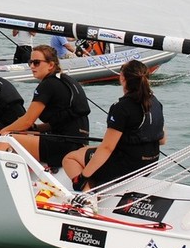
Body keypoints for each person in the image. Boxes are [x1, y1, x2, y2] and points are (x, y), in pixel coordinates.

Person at [63, 59, 165, 190]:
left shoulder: (121, 107)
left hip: (127, 166)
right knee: (84, 151)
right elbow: (162, 140)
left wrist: (83, 177)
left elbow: (107, 148)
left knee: (70, 159)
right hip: (150, 163)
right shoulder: (155, 102)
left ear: (122, 78)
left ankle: (88, 198)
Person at [0, 45, 90, 168]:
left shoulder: (48, 85)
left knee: (6, 138)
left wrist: (3, 131)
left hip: (65, 146)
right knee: (26, 133)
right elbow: (64, 120)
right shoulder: (65, 80)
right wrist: (37, 128)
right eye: (30, 62)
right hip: (79, 143)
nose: (31, 66)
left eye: (36, 63)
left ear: (51, 65)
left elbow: (27, 120)